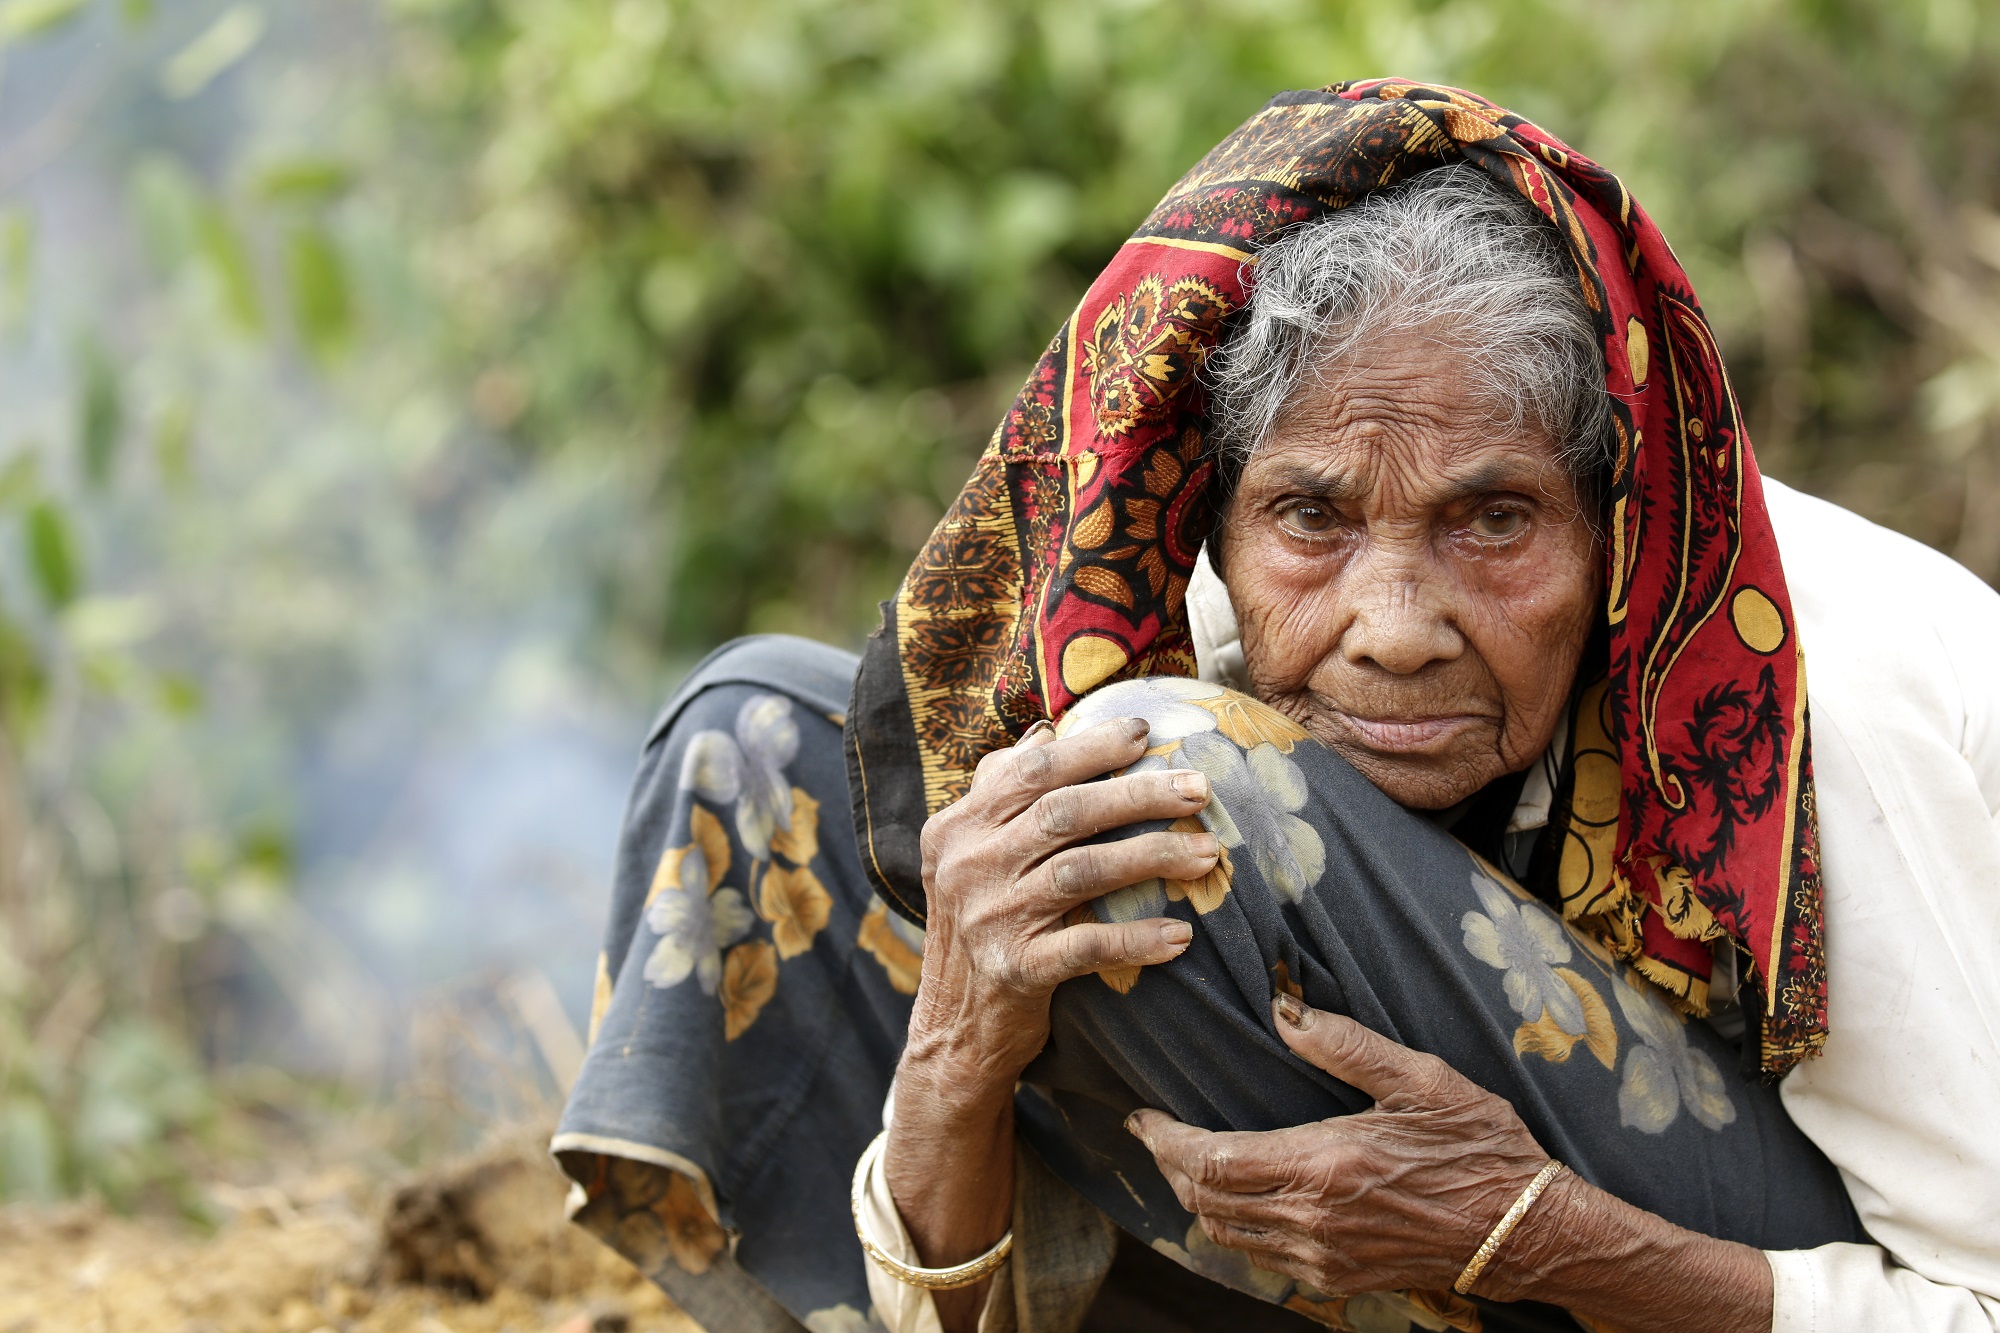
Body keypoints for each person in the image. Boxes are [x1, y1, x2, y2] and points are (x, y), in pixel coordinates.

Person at [553, 81, 2000, 1333]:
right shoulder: (1179, 629)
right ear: (1212, 525)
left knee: (1165, 787)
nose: (1394, 630)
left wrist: (1537, 1232)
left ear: (1615, 520)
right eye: (1309, 517)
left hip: (1771, 1258)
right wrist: (953, 1054)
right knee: (764, 753)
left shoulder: (1826, 701)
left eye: (1495, 521)